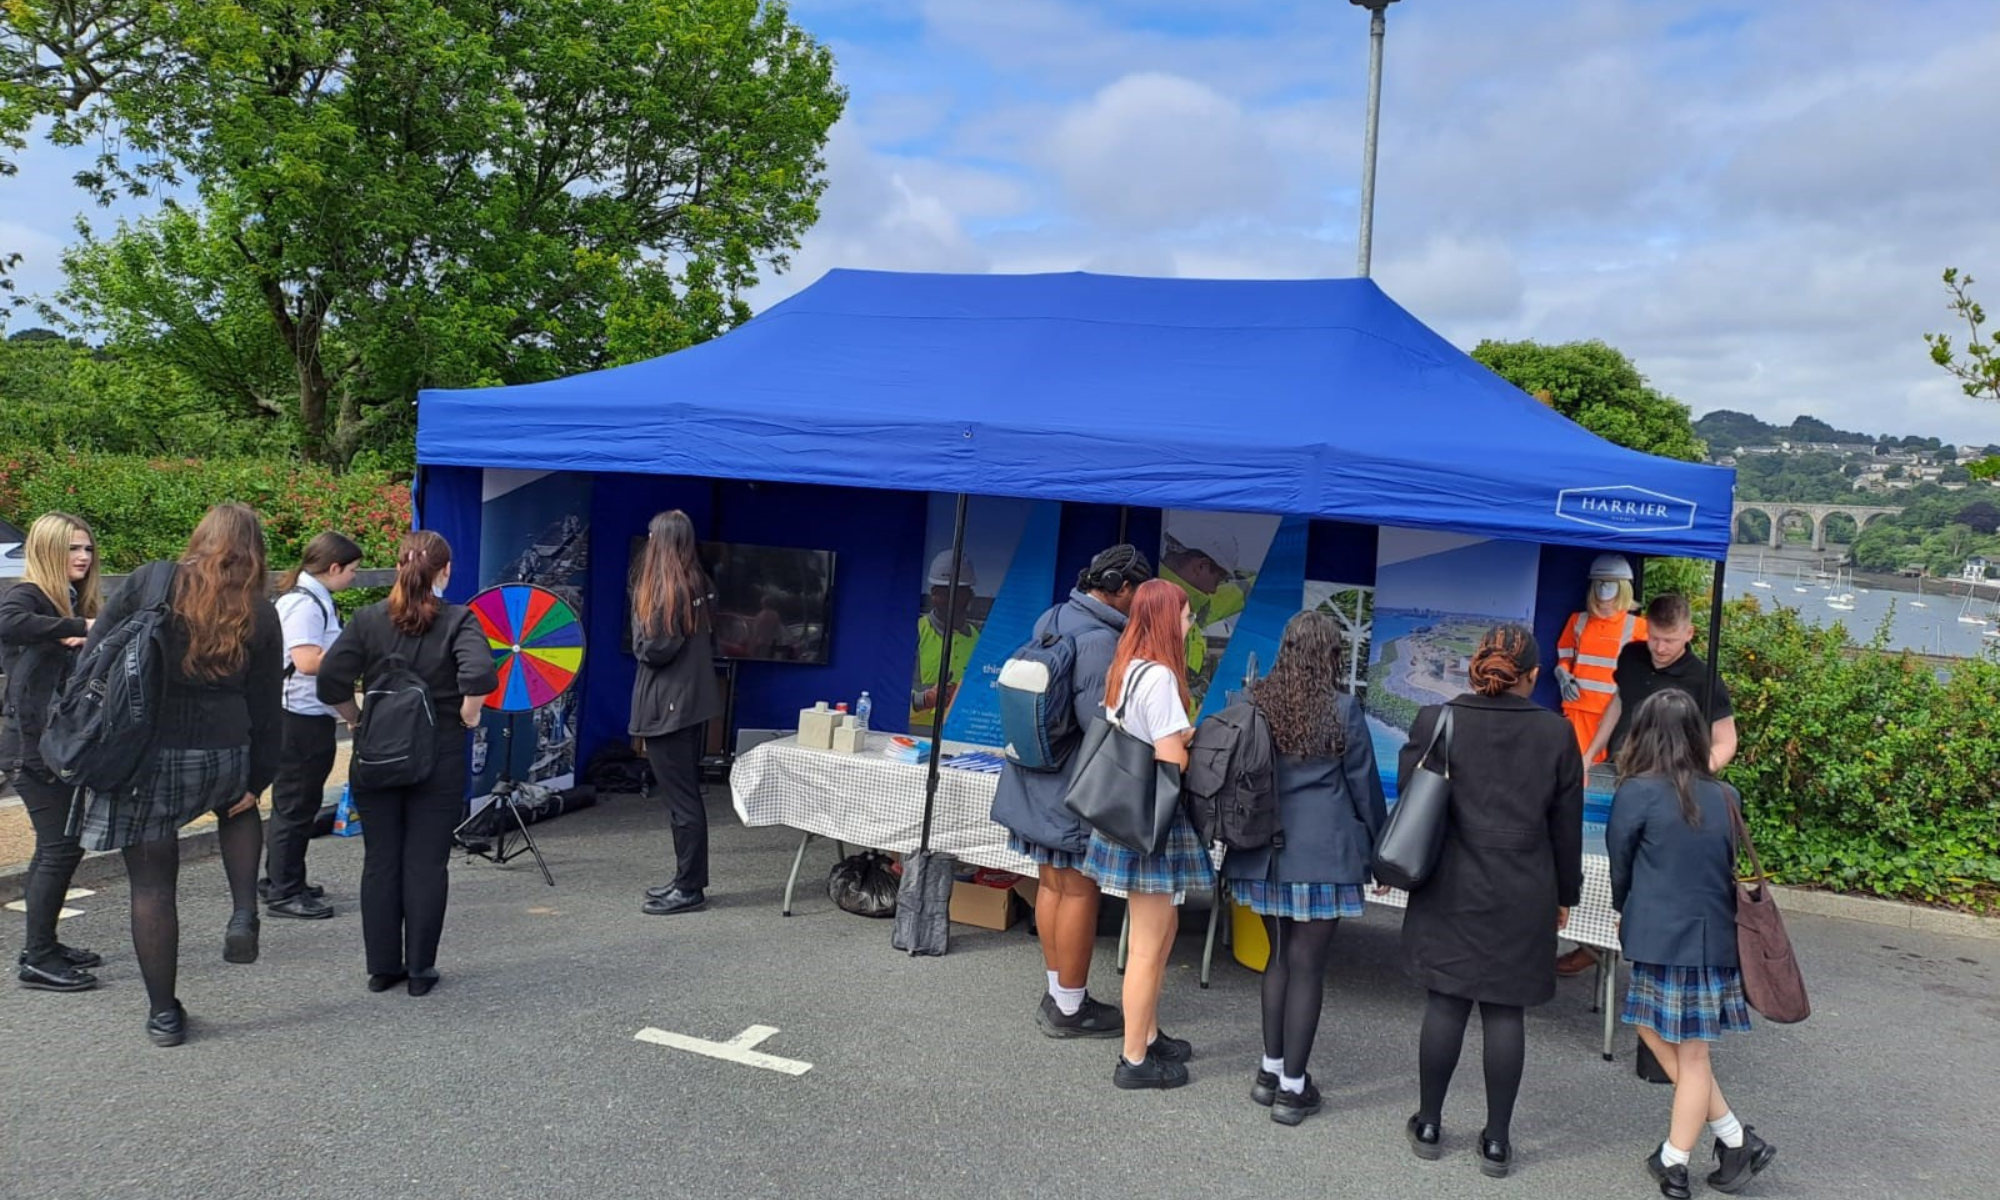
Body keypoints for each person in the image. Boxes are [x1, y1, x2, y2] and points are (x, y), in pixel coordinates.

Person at [75, 503, 285, 1046]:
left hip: (150, 750)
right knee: (238, 809)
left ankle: (164, 1014)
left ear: (203, 537)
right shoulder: (261, 611)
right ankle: (243, 911)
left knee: (151, 886)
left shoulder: (153, 581)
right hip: (226, 746)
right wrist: (257, 778)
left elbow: (97, 656)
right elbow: (267, 704)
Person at [1400, 623, 1583, 1178]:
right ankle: (1497, 1142)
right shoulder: (1556, 734)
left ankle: (1430, 1123)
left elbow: (1413, 799)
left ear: (1474, 667)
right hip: (1525, 888)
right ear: (1531, 676)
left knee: (1447, 1003)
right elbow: (1566, 828)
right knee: (1505, 1012)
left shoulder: (1439, 720)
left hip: (1451, 883)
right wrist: (1565, 894)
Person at [1608, 689, 1777, 1198]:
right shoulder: (1726, 796)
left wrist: (1625, 909)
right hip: (1712, 936)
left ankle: (1676, 1163)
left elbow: (1621, 864)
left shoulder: (1636, 791)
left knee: (1674, 1044)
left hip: (1658, 933)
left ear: (1645, 733)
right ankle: (1732, 1139)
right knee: (1686, 1050)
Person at [1226, 610, 1386, 1125]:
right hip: (1326, 854)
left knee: (1278, 960)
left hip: (1267, 851)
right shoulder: (1343, 708)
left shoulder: (1255, 701)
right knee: (1309, 967)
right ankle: (1295, 1089)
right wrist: (1380, 846)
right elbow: (1363, 788)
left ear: (1286, 649)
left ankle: (1268, 1072)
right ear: (1331, 654)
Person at [318, 530, 496, 994]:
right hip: (437, 754)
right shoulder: (459, 620)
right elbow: (479, 674)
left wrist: (356, 720)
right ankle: (420, 970)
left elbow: (329, 681)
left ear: (398, 567)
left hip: (376, 755)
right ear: (446, 571)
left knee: (380, 862)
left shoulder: (368, 619)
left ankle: (382, 969)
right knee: (426, 863)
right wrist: (468, 715)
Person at [990, 544, 1153, 1038]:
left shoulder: (1056, 615)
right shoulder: (1101, 641)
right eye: (1136, 594)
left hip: (1033, 773)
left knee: (1053, 885)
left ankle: (1058, 990)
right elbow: (1099, 725)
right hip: (1071, 785)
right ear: (1120, 588)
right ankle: (1072, 1007)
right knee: (1080, 890)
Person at [1078, 578, 1210, 1090]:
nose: (1189, 622)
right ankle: (1134, 1059)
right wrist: (1191, 744)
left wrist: (1178, 736)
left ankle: (1149, 1033)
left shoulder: (1128, 667)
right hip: (1152, 822)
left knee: (1160, 934)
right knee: (1149, 948)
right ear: (1164, 619)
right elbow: (1170, 758)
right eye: (1184, 614)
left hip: (1129, 818)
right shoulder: (1159, 678)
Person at [2, 513, 105, 991]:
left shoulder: (66, 596)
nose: (82, 557)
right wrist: (72, 626)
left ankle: (46, 943)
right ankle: (38, 956)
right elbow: (8, 621)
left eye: (87, 549)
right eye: (72, 549)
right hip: (29, 747)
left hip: (57, 743)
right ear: (48, 551)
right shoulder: (28, 596)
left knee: (65, 847)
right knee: (57, 848)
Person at [1553, 554, 1648, 977]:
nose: (1604, 593)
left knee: (1603, 837)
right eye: (1599, 585)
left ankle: (1595, 941)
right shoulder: (1577, 621)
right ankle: (1576, 929)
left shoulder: (1639, 628)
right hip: (1574, 728)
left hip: (1616, 736)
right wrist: (1562, 674)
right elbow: (1564, 657)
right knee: (1569, 827)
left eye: (1611, 586)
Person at [260, 531, 363, 920]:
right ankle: (284, 890)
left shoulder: (309, 597)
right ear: (333, 567)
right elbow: (305, 661)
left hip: (304, 714)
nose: (354, 577)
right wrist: (355, 655)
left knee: (297, 803)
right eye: (352, 570)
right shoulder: (304, 605)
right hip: (298, 717)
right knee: (295, 805)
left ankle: (283, 878)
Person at [629, 510, 723, 916]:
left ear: (662, 541)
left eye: (652, 535)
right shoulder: (698, 583)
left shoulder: (668, 591)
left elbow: (652, 650)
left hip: (670, 704)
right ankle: (686, 879)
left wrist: (638, 618)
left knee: (682, 801)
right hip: (690, 701)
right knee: (685, 798)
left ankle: (689, 888)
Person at [1582, 592, 1738, 774]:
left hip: (1669, 779)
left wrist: (1695, 776)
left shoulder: (1704, 679)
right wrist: (1590, 754)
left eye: (1670, 640)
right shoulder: (1631, 656)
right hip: (1617, 767)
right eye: (1654, 638)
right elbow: (1619, 702)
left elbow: (1726, 741)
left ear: (1689, 633)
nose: (1660, 648)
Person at [1161, 517, 1248, 676]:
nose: (1215, 591)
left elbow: (1240, 590)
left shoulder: (1190, 603)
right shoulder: (1164, 611)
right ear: (1200, 566)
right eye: (1218, 580)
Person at [910, 549, 978, 731]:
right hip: (914, 739)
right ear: (933, 594)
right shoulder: (914, 632)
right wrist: (925, 699)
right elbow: (888, 693)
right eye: (946, 592)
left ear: (970, 595)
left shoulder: (979, 642)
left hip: (961, 736)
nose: (952, 600)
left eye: (959, 592)